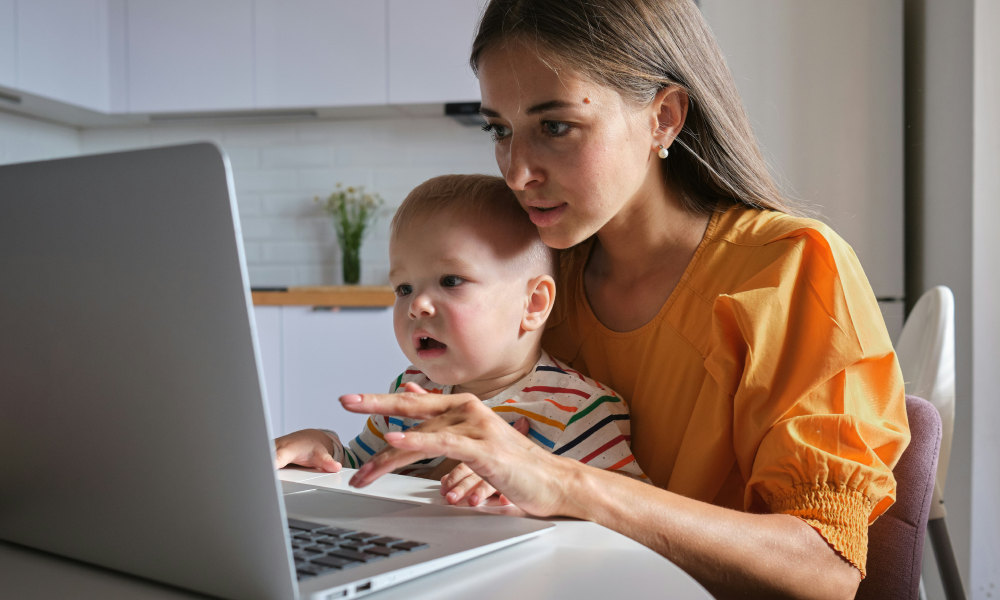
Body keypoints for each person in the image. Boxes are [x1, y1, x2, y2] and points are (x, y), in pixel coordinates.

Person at [313, 1, 912, 599]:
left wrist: (566, 483)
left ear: (664, 118)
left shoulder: (788, 269)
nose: (517, 172)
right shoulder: (535, 280)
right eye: (499, 129)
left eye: (555, 126)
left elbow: (825, 571)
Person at [274, 174, 647, 505]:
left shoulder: (578, 409)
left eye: (450, 281)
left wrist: (522, 492)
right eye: (403, 287)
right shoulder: (410, 394)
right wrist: (323, 448)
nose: (416, 305)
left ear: (533, 303)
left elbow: (623, 513)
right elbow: (360, 468)